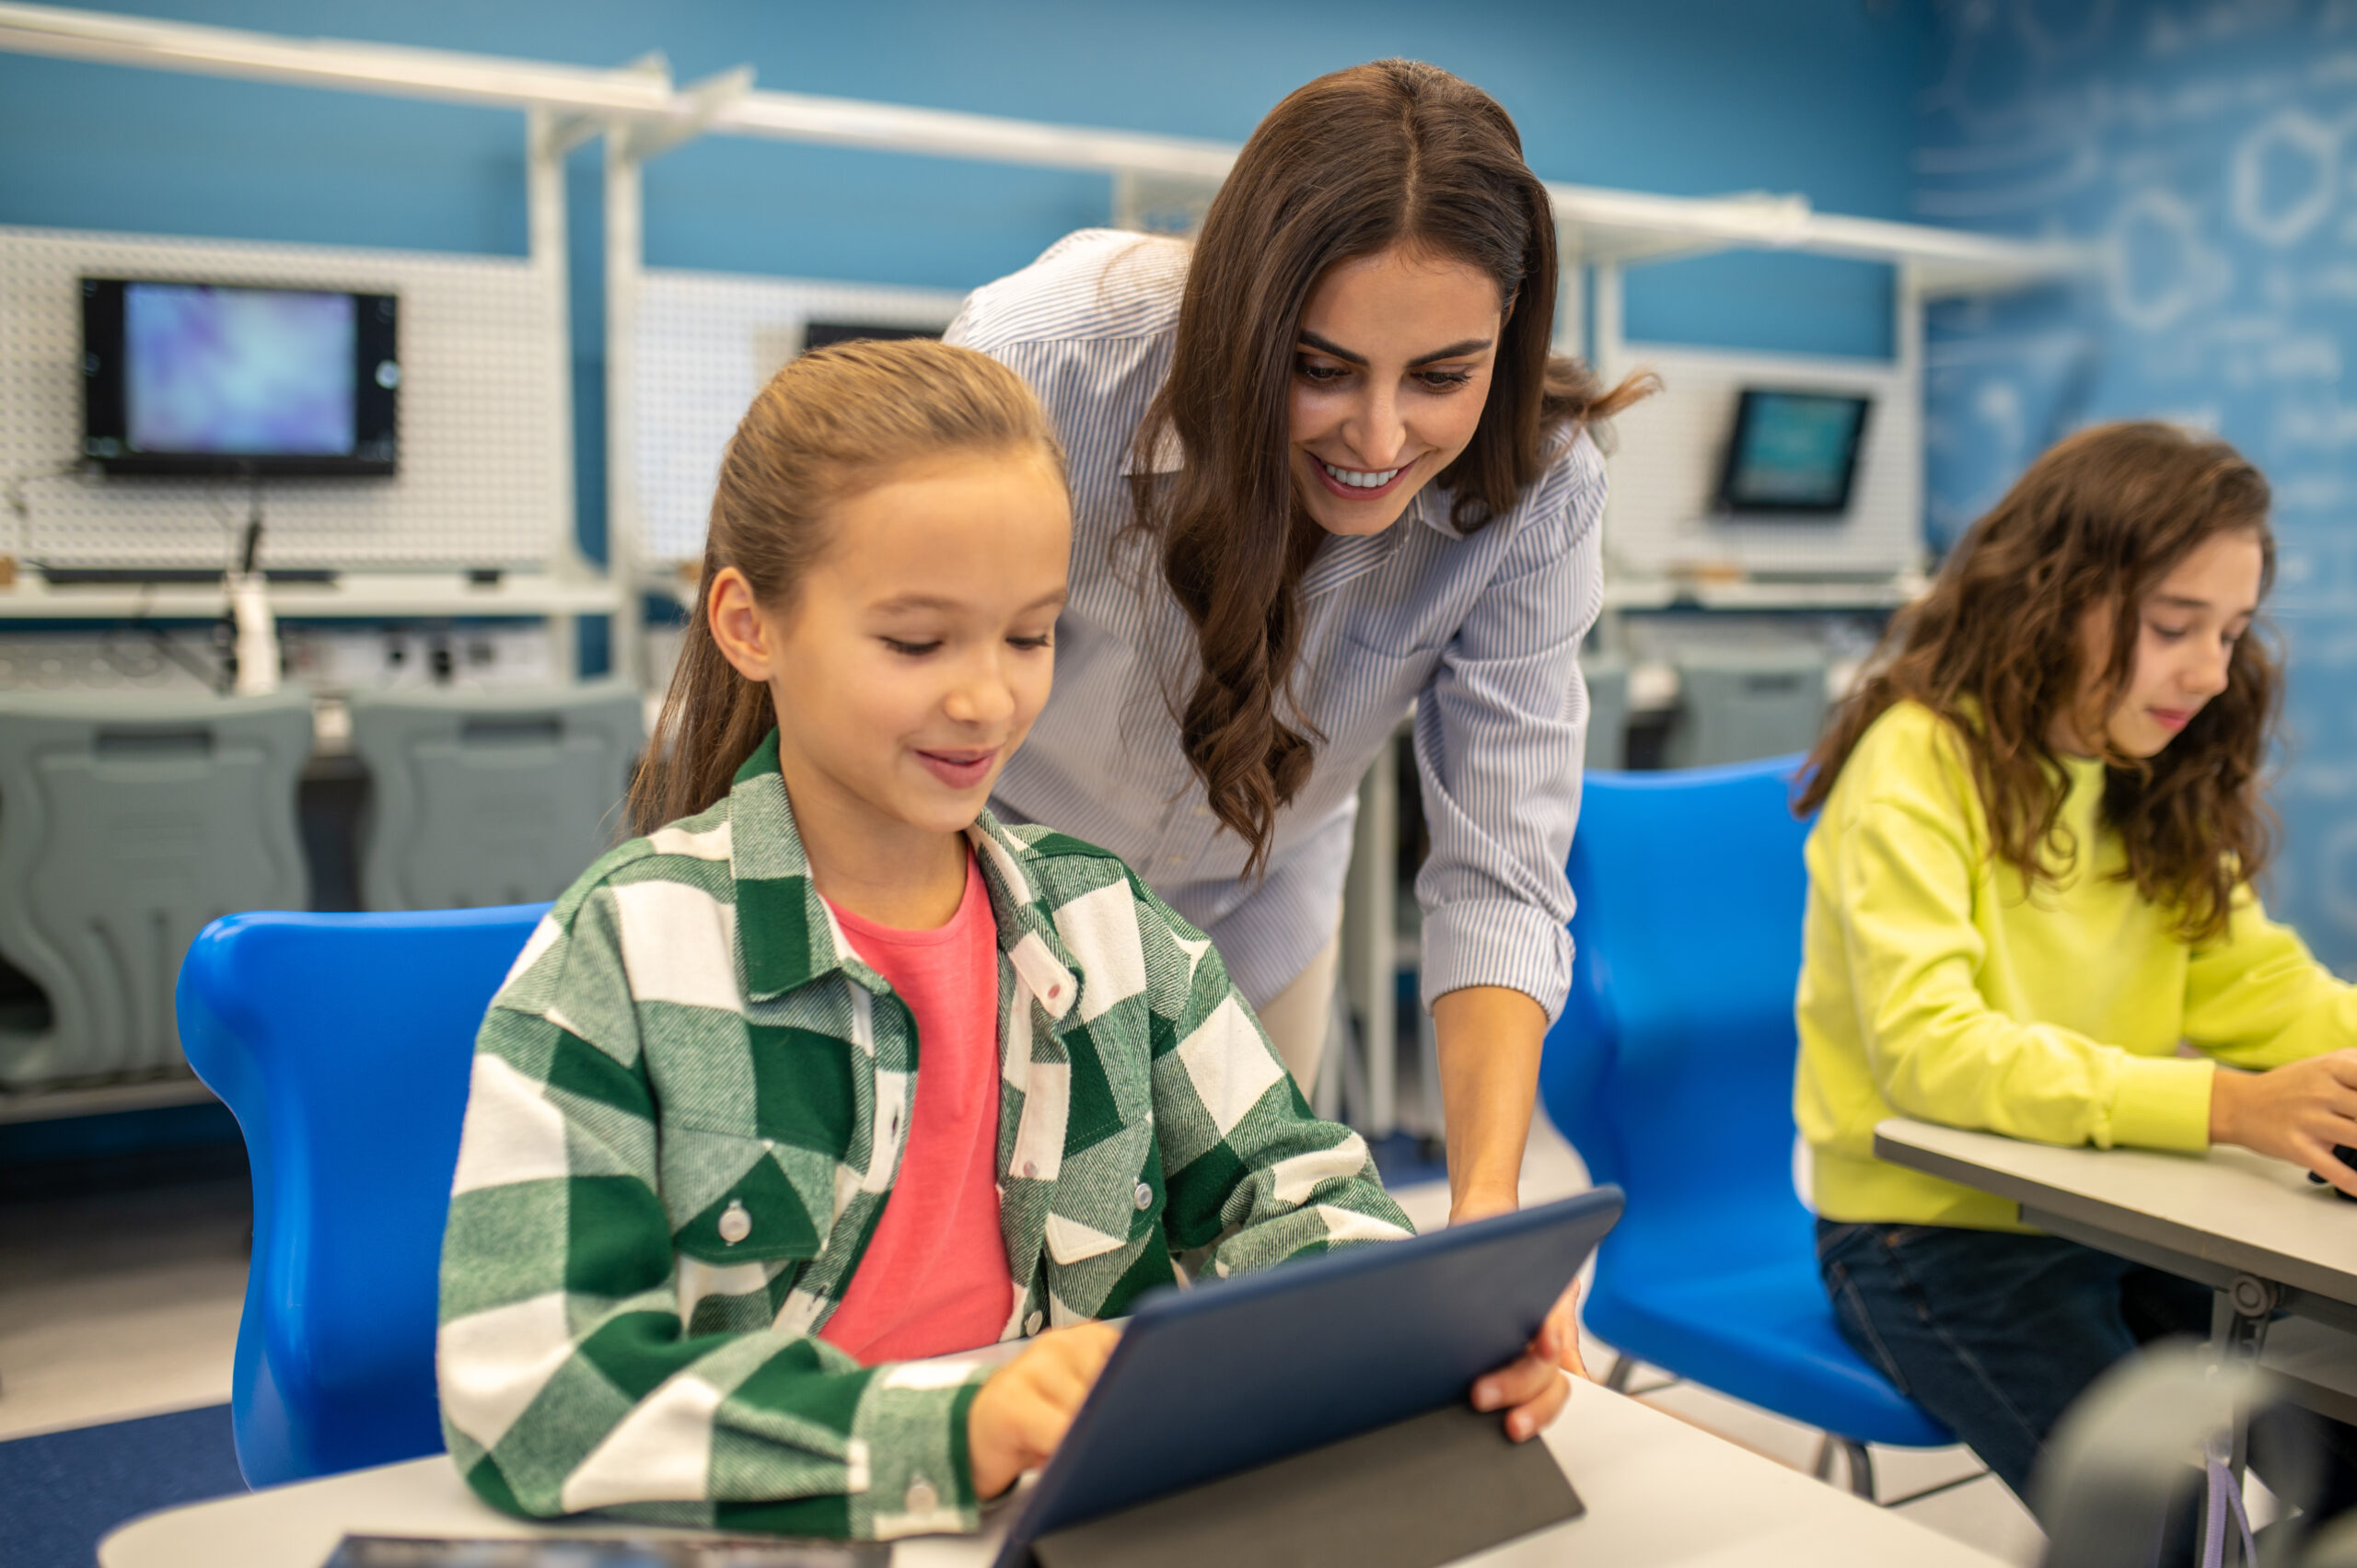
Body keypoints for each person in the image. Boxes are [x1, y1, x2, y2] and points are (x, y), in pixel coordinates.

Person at [435, 339, 1580, 1541]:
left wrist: (1426, 1330)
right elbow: (535, 1389)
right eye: (919, 643)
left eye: (1030, 636)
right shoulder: (623, 954)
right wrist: (956, 1429)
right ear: (749, 624)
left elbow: (1294, 1194)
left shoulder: (1108, 931)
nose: (988, 700)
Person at [947, 60, 1653, 1224]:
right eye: (1320, 369)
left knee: (1248, 1254)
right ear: (1245, 315)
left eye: (1441, 376)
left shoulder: (1538, 488)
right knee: (1006, 1261)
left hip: (1257, 888)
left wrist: (1483, 1205)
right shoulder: (1043, 362)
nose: (1377, 436)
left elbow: (1500, 866)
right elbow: (908, 677)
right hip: (998, 865)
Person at [1794, 422, 2357, 1513]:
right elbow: (1930, 1053)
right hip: (1926, 1231)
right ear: (2053, 595)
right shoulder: (1915, 759)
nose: (2209, 669)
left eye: (2231, 631)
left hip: (2111, 1208)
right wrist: (2228, 1106)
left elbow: (2265, 987)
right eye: (2172, 625)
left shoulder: (2150, 770)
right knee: (2158, 1517)